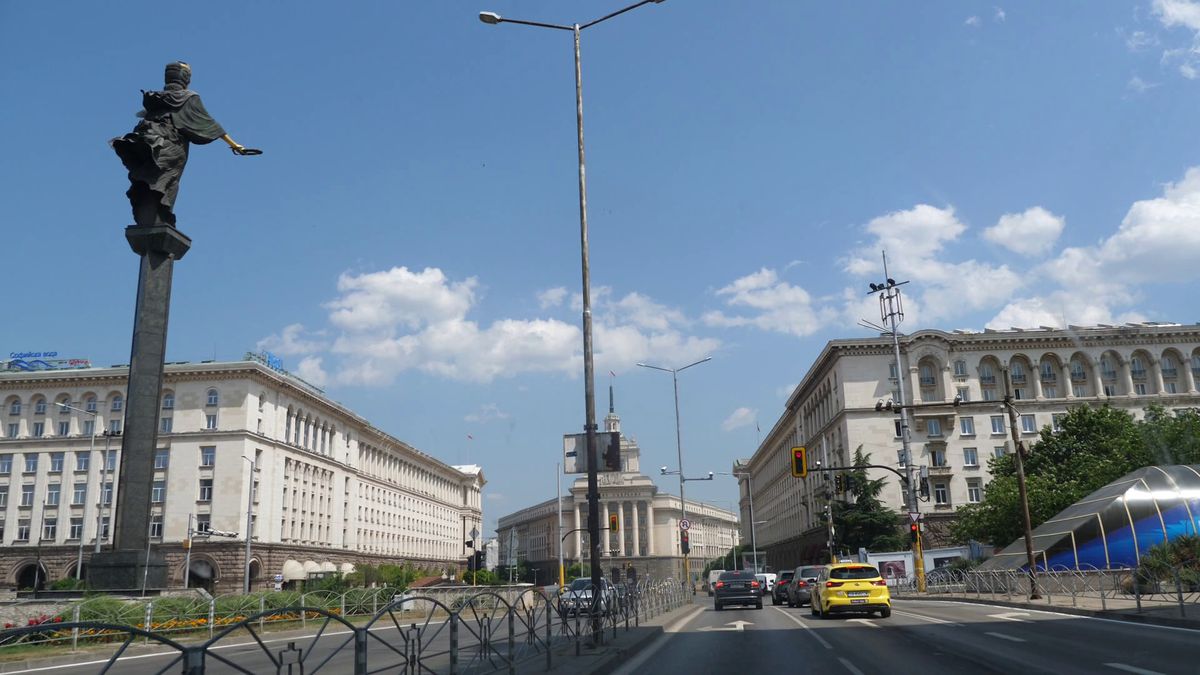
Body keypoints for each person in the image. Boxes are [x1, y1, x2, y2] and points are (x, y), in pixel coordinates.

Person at [112, 62, 251, 228]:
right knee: (168, 182)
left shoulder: (157, 98)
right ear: (186, 78)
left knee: (149, 181)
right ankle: (160, 221)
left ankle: (152, 219)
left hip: (150, 143)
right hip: (172, 146)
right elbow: (210, 124)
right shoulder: (188, 97)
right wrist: (235, 144)